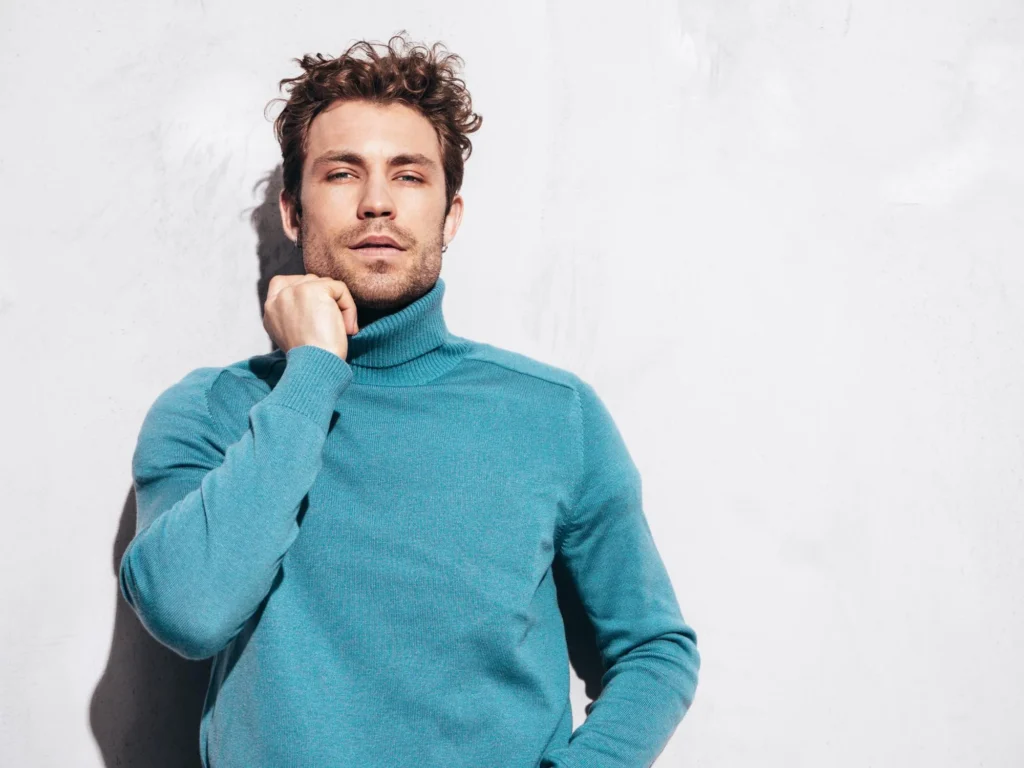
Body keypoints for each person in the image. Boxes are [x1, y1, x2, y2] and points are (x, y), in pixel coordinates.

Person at [119, 32, 700, 768]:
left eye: (409, 176)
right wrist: (311, 374)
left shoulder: (555, 415)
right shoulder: (213, 410)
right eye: (342, 173)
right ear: (293, 212)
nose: (376, 203)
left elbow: (653, 649)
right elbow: (189, 613)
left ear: (450, 215)